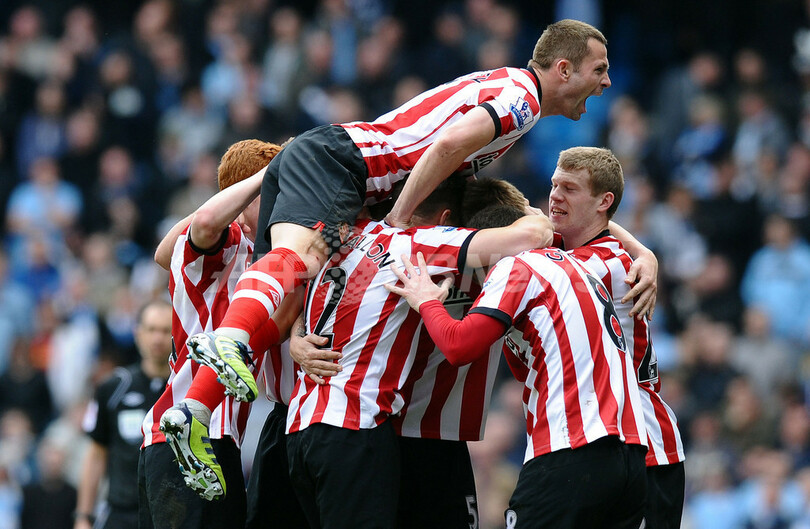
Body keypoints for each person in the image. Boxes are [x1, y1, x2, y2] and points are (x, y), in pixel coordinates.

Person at [184, 18, 613, 407]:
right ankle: (228, 339)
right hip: (344, 162)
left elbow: (508, 190)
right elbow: (448, 144)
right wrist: (398, 219)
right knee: (302, 260)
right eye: (599, 70)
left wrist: (632, 246)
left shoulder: (511, 91)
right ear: (563, 69)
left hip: (343, 172)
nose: (606, 81)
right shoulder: (523, 99)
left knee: (286, 302)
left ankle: (194, 410)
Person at [281, 177, 554, 529]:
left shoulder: (354, 236)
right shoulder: (422, 245)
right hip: (378, 429)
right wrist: (297, 336)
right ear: (446, 222)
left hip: (404, 432)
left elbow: (307, 279)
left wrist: (298, 333)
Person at [386, 225, 648, 527]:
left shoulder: (516, 265)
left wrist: (427, 301)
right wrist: (644, 252)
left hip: (570, 449)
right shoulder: (582, 264)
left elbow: (458, 347)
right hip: (630, 453)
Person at [138, 139, 305, 528]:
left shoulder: (260, 248)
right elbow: (201, 226)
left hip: (207, 442)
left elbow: (163, 253)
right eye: (276, 188)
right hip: (195, 439)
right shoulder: (228, 241)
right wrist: (268, 174)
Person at [544, 146, 686, 528]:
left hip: (644, 443)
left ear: (604, 201)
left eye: (569, 189)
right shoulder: (591, 253)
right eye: (555, 185)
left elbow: (529, 230)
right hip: (608, 440)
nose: (555, 196)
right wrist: (645, 250)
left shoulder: (604, 266)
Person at [75, 299, 172, 529]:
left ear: (177, 334)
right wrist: (83, 516)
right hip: (121, 513)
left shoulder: (191, 390)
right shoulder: (112, 388)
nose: (157, 338)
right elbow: (96, 454)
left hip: (173, 516)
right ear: (138, 334)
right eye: (151, 329)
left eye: (165, 330)